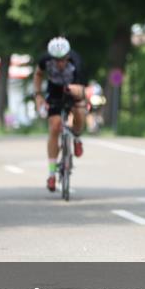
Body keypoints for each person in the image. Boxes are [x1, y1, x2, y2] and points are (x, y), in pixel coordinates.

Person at [33, 37, 88, 192]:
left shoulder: (76, 62)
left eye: (63, 59)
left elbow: (84, 90)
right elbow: (38, 75)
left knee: (79, 111)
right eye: (56, 60)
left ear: (68, 56)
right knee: (55, 127)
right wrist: (38, 95)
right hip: (55, 91)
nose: (60, 63)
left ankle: (77, 137)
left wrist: (77, 92)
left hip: (74, 89)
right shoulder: (44, 60)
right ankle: (51, 174)